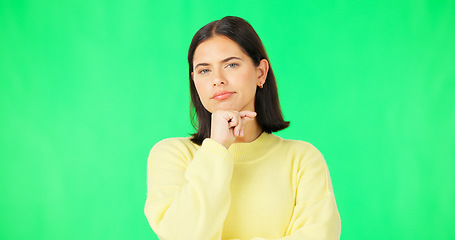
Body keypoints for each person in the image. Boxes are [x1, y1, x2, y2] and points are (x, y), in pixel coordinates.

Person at [144, 16, 341, 240]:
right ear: (194, 81)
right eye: (204, 70)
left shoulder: (302, 159)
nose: (217, 80)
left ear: (260, 72)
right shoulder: (171, 155)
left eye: (231, 65)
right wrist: (217, 147)